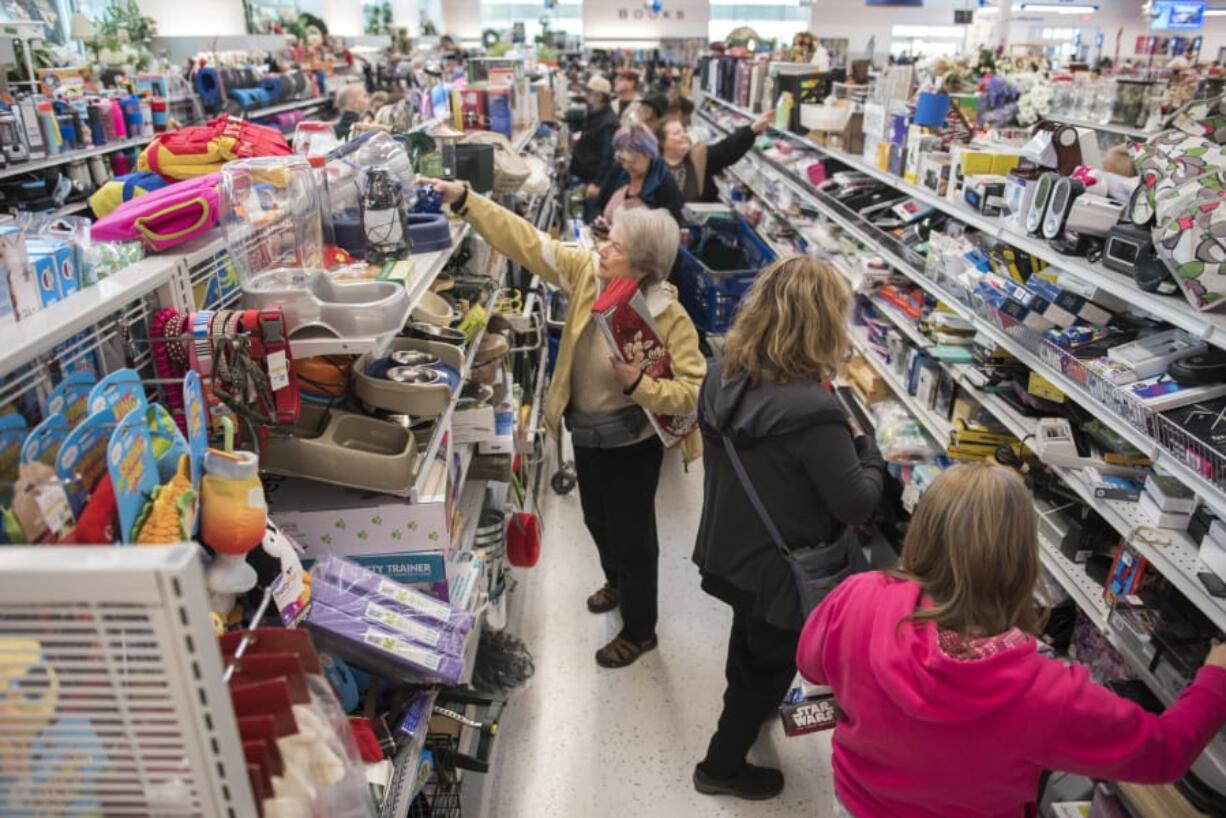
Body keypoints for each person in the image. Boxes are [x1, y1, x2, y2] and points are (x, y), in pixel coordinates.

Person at [798, 462, 1226, 818]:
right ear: (1021, 559)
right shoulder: (1046, 691)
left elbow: (812, 665)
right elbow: (1165, 753)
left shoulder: (858, 596)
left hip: (859, 805)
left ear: (923, 530)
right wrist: (1215, 676)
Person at [423, 175, 705, 669]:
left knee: (635, 535)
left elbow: (692, 393)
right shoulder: (587, 275)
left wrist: (640, 384)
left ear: (642, 266)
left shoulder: (668, 315)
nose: (601, 249)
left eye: (613, 247)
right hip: (585, 432)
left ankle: (640, 631)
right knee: (597, 517)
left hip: (632, 443)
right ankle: (615, 580)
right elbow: (528, 242)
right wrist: (466, 200)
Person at [692, 256, 885, 801]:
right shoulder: (815, 412)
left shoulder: (721, 372)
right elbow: (856, 504)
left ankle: (745, 714)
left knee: (748, 643)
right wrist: (867, 448)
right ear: (824, 323)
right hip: (783, 571)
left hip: (729, 550)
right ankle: (720, 765)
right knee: (770, 663)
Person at [656, 108, 774, 203]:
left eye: (684, 131)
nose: (684, 135)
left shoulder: (698, 156)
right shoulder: (654, 167)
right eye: (677, 133)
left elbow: (726, 150)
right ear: (662, 141)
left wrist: (752, 129)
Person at [596, 123, 685, 227]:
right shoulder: (618, 170)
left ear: (648, 154)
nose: (627, 166)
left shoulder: (664, 181)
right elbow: (598, 204)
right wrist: (599, 220)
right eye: (623, 160)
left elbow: (674, 224)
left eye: (633, 161)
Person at [571, 75, 620, 221]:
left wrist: (597, 183)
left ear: (598, 96)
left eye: (589, 93)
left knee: (592, 216)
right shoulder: (596, 114)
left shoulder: (608, 122)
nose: (586, 97)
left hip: (595, 182)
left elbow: (608, 157)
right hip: (588, 177)